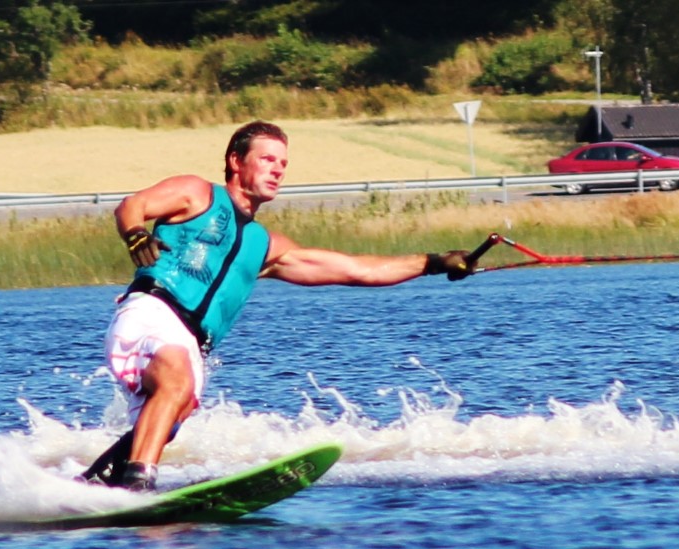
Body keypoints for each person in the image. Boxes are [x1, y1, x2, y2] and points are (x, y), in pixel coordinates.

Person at [82, 120, 472, 490]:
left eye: (283, 163)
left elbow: (359, 270)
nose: (278, 170)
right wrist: (135, 234)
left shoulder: (266, 246)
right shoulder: (198, 193)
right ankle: (139, 483)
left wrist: (432, 263)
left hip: (193, 342)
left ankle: (100, 483)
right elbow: (132, 205)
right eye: (267, 159)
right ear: (236, 161)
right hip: (152, 312)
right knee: (176, 382)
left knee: (174, 409)